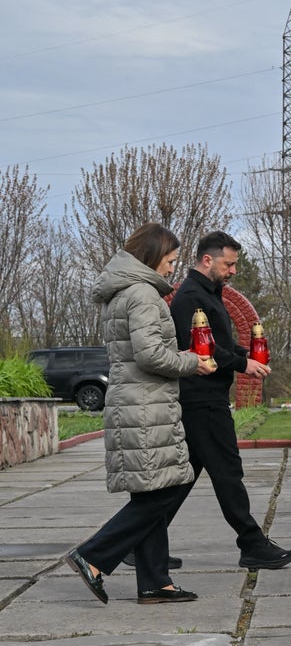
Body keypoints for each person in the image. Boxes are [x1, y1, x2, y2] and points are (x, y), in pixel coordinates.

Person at [65, 222, 217, 605]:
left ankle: (154, 582)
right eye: (169, 260)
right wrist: (192, 361)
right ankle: (93, 556)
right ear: (151, 258)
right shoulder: (143, 295)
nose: (171, 268)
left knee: (156, 490)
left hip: (133, 402)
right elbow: (150, 355)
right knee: (163, 493)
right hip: (146, 406)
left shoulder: (122, 293)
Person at [166, 230, 291, 570]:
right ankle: (252, 544)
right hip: (201, 400)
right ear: (207, 260)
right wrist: (241, 362)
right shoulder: (191, 297)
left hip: (205, 399)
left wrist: (247, 358)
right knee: (227, 472)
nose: (234, 270)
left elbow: (220, 343)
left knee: (183, 477)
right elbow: (201, 350)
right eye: (229, 264)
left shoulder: (209, 294)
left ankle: (140, 541)